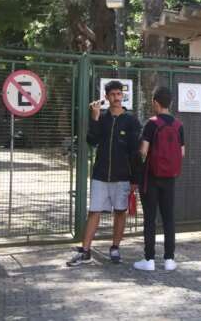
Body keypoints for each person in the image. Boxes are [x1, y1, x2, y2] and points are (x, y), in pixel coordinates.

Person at [67, 80, 141, 266]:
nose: (117, 97)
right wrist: (95, 117)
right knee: (94, 212)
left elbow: (135, 153)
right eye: (113, 94)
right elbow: (92, 141)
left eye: (119, 94)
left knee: (120, 212)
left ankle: (115, 248)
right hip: (100, 174)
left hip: (123, 176)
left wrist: (135, 179)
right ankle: (85, 251)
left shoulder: (131, 121)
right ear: (106, 97)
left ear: (122, 96)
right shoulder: (102, 117)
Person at [133, 86, 185, 271]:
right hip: (169, 178)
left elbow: (143, 151)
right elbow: (182, 152)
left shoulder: (152, 123)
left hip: (151, 177)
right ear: (170, 102)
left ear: (155, 102)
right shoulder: (179, 125)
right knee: (168, 218)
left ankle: (149, 260)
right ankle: (170, 259)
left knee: (150, 218)